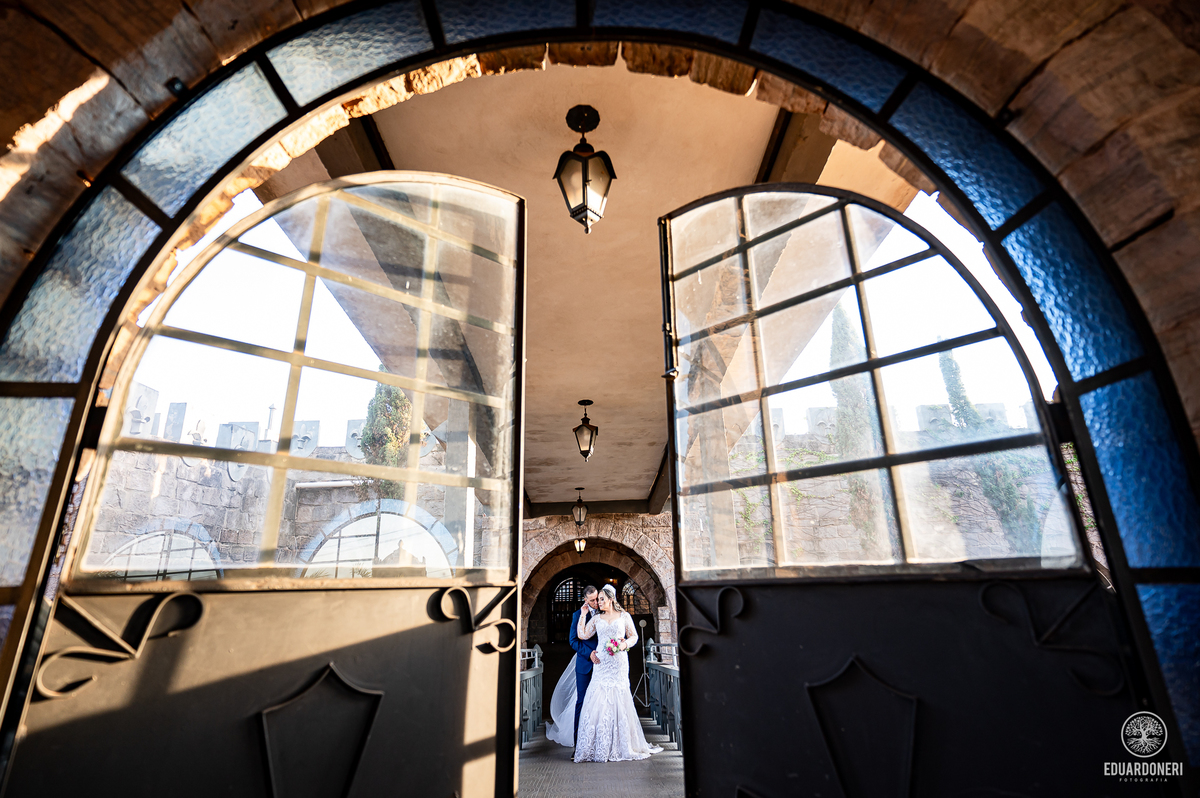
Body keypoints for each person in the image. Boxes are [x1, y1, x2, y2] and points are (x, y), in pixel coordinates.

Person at [572, 583, 663, 763]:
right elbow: (582, 635)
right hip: (601, 664)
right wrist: (583, 615)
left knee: (620, 699)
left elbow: (634, 636)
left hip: (619, 663)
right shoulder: (596, 618)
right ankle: (598, 744)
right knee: (598, 700)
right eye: (597, 600)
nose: (598, 602)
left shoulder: (624, 616)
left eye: (601, 599)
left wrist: (624, 644)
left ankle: (622, 743)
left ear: (611, 599)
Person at [545, 585, 599, 747]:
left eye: (597, 599)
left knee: (601, 702)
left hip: (603, 665)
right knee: (581, 701)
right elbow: (573, 641)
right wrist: (589, 653)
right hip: (585, 664)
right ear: (585, 600)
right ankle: (578, 743)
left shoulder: (605, 612)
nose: (596, 602)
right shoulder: (577, 615)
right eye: (592, 600)